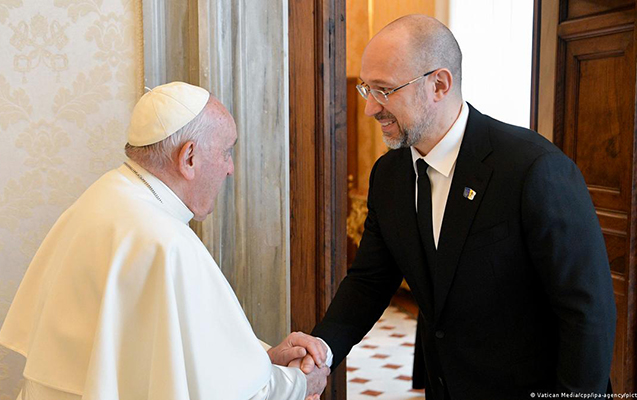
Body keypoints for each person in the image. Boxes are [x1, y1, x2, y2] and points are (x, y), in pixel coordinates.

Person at [307, 14, 617, 399]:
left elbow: (587, 313)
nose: (370, 108)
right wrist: (321, 352)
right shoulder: (389, 175)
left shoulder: (534, 169)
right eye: (367, 89)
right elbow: (369, 281)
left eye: (384, 90)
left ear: (439, 84)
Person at [0, 82, 329, 400]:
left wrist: (260, 359)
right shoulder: (164, 242)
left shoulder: (106, 195)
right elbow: (230, 393)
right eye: (226, 152)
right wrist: (301, 382)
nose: (229, 169)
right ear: (189, 157)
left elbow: (163, 355)